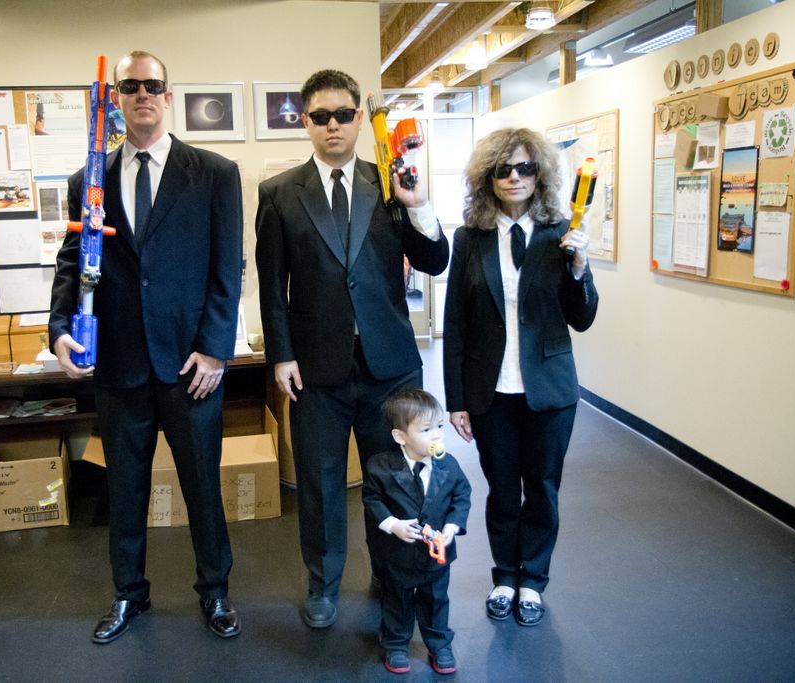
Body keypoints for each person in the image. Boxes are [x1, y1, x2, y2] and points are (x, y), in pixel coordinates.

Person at [48, 50, 243, 644]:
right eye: (129, 86)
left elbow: (227, 269)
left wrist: (216, 349)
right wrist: (59, 329)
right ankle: (129, 594)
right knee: (124, 491)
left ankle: (215, 592)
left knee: (202, 487)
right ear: (116, 98)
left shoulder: (214, 173)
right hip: (119, 365)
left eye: (152, 85)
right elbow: (71, 263)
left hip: (190, 366)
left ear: (168, 95)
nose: (142, 95)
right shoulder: (89, 180)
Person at [255, 69, 449, 629]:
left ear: (360, 118)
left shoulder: (389, 182)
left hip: (390, 367)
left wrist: (417, 204)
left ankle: (391, 573)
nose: (333, 125)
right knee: (319, 483)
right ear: (305, 122)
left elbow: (435, 261)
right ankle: (323, 584)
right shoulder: (279, 193)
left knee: (392, 480)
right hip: (316, 369)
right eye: (321, 117)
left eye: (343, 114)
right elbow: (271, 284)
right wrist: (281, 354)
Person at [443, 127, 598, 627]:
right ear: (487, 178)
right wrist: (456, 399)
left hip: (549, 390)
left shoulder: (561, 234)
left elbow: (582, 318)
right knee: (503, 491)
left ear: (541, 175)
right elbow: (455, 322)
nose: (514, 177)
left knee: (543, 490)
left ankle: (533, 580)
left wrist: (579, 269)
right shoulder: (470, 238)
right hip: (491, 391)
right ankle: (505, 576)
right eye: (503, 169)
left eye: (525, 168)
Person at [362, 389, 471, 675]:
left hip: (436, 555)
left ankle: (439, 643)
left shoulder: (448, 464)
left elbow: (462, 496)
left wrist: (451, 527)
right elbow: (372, 499)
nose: (437, 435)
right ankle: (396, 643)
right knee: (396, 599)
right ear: (400, 436)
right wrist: (393, 525)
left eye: (439, 426)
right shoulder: (380, 467)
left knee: (436, 600)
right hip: (398, 553)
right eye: (426, 430)